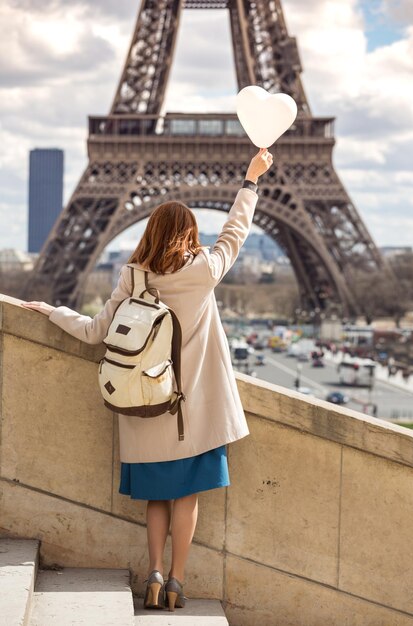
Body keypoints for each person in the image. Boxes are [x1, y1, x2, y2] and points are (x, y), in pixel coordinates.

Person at [21, 146, 273, 611]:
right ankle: (177, 579)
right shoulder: (202, 272)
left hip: (143, 407)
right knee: (186, 499)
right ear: (189, 234)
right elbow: (235, 234)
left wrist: (52, 311)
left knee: (156, 499)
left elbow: (96, 332)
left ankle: (153, 572)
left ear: (151, 234)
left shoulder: (132, 276)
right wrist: (250, 181)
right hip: (192, 413)